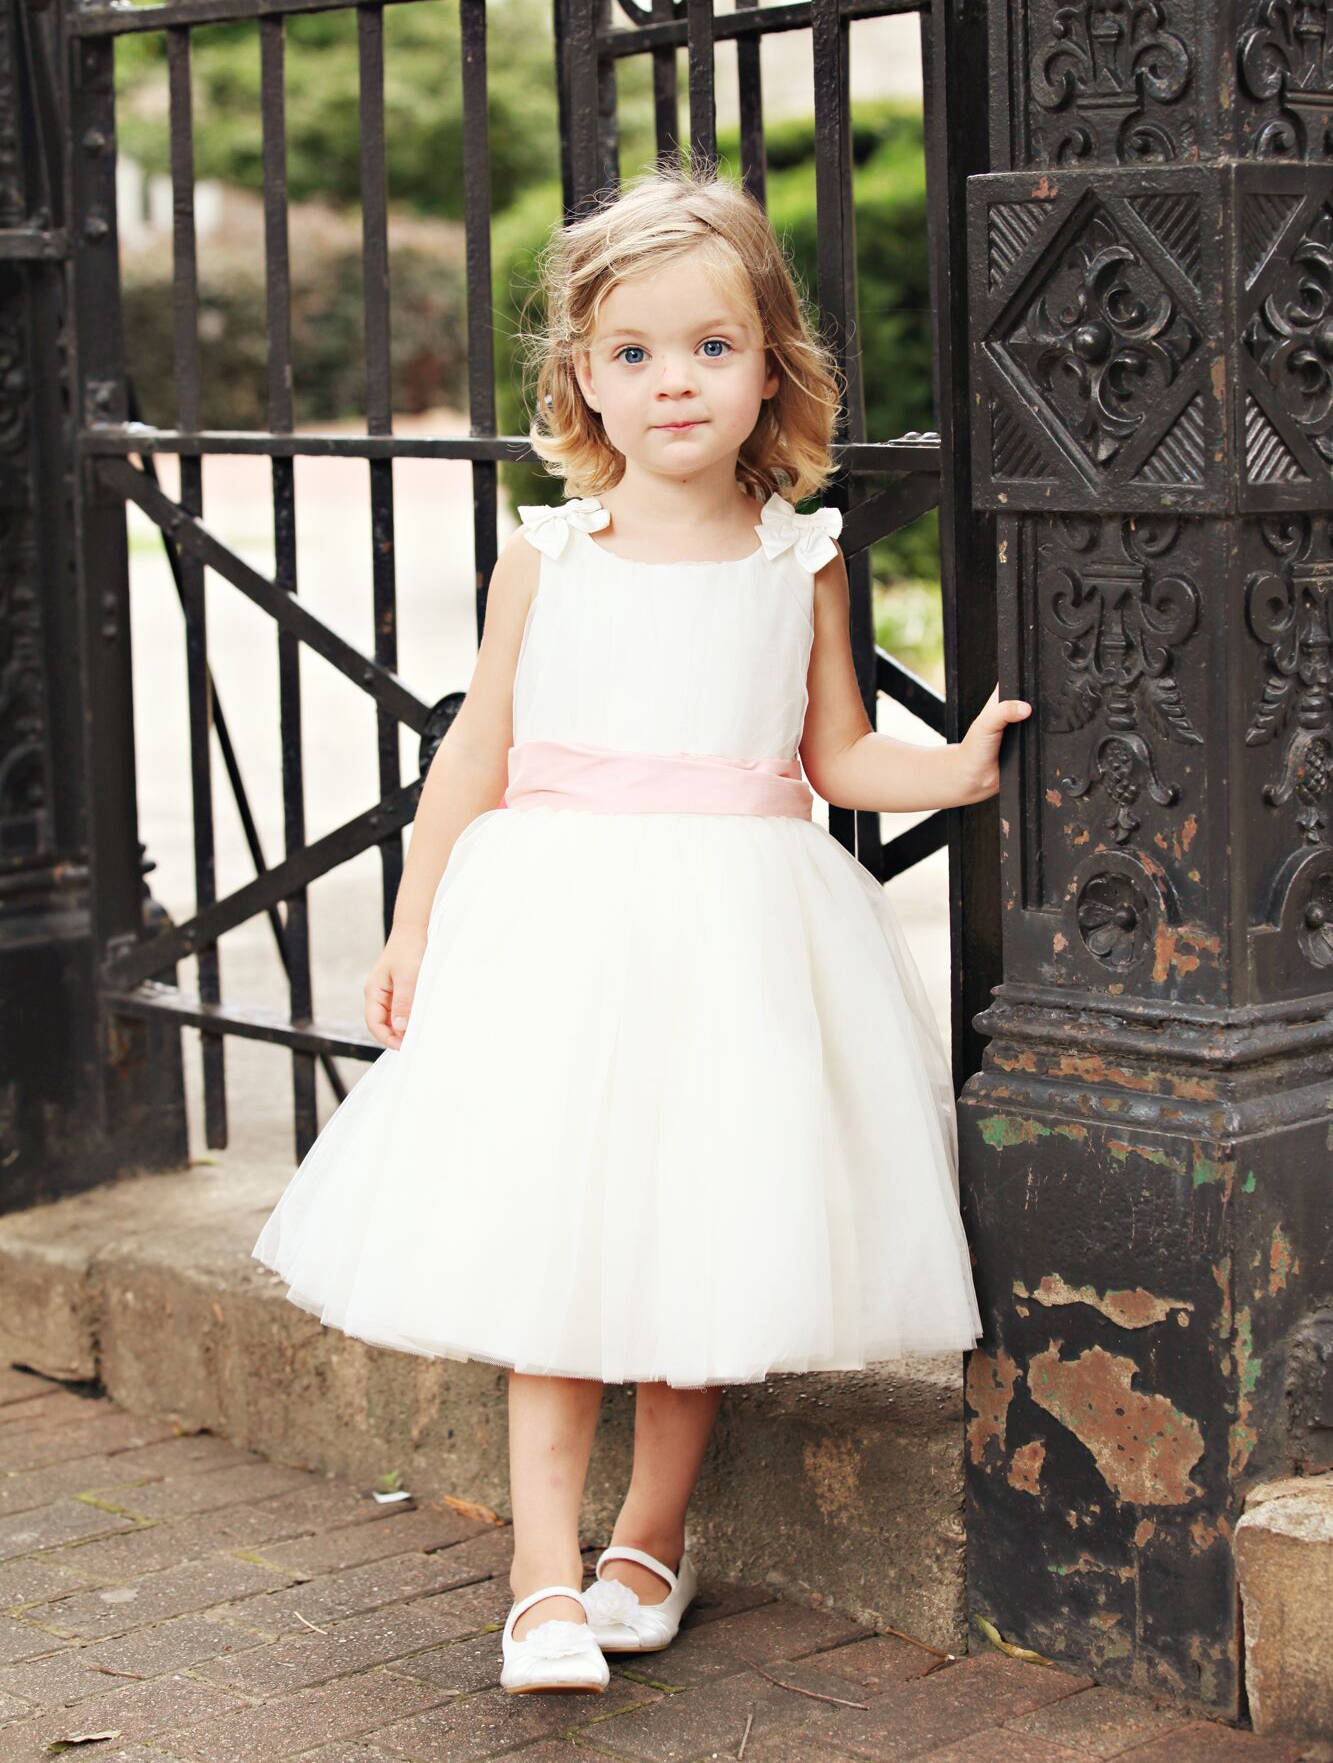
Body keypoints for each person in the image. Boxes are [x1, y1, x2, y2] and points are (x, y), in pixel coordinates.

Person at [251, 162, 1033, 1698]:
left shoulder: (789, 557)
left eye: (711, 347)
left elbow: (833, 755)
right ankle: (540, 1579)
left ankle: (646, 1541)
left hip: (738, 940)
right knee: (556, 1260)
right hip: (560, 933)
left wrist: (950, 769)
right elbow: (472, 753)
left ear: (770, 365)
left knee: (703, 1253)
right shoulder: (550, 552)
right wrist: (415, 926)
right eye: (632, 353)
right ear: (582, 380)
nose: (672, 380)